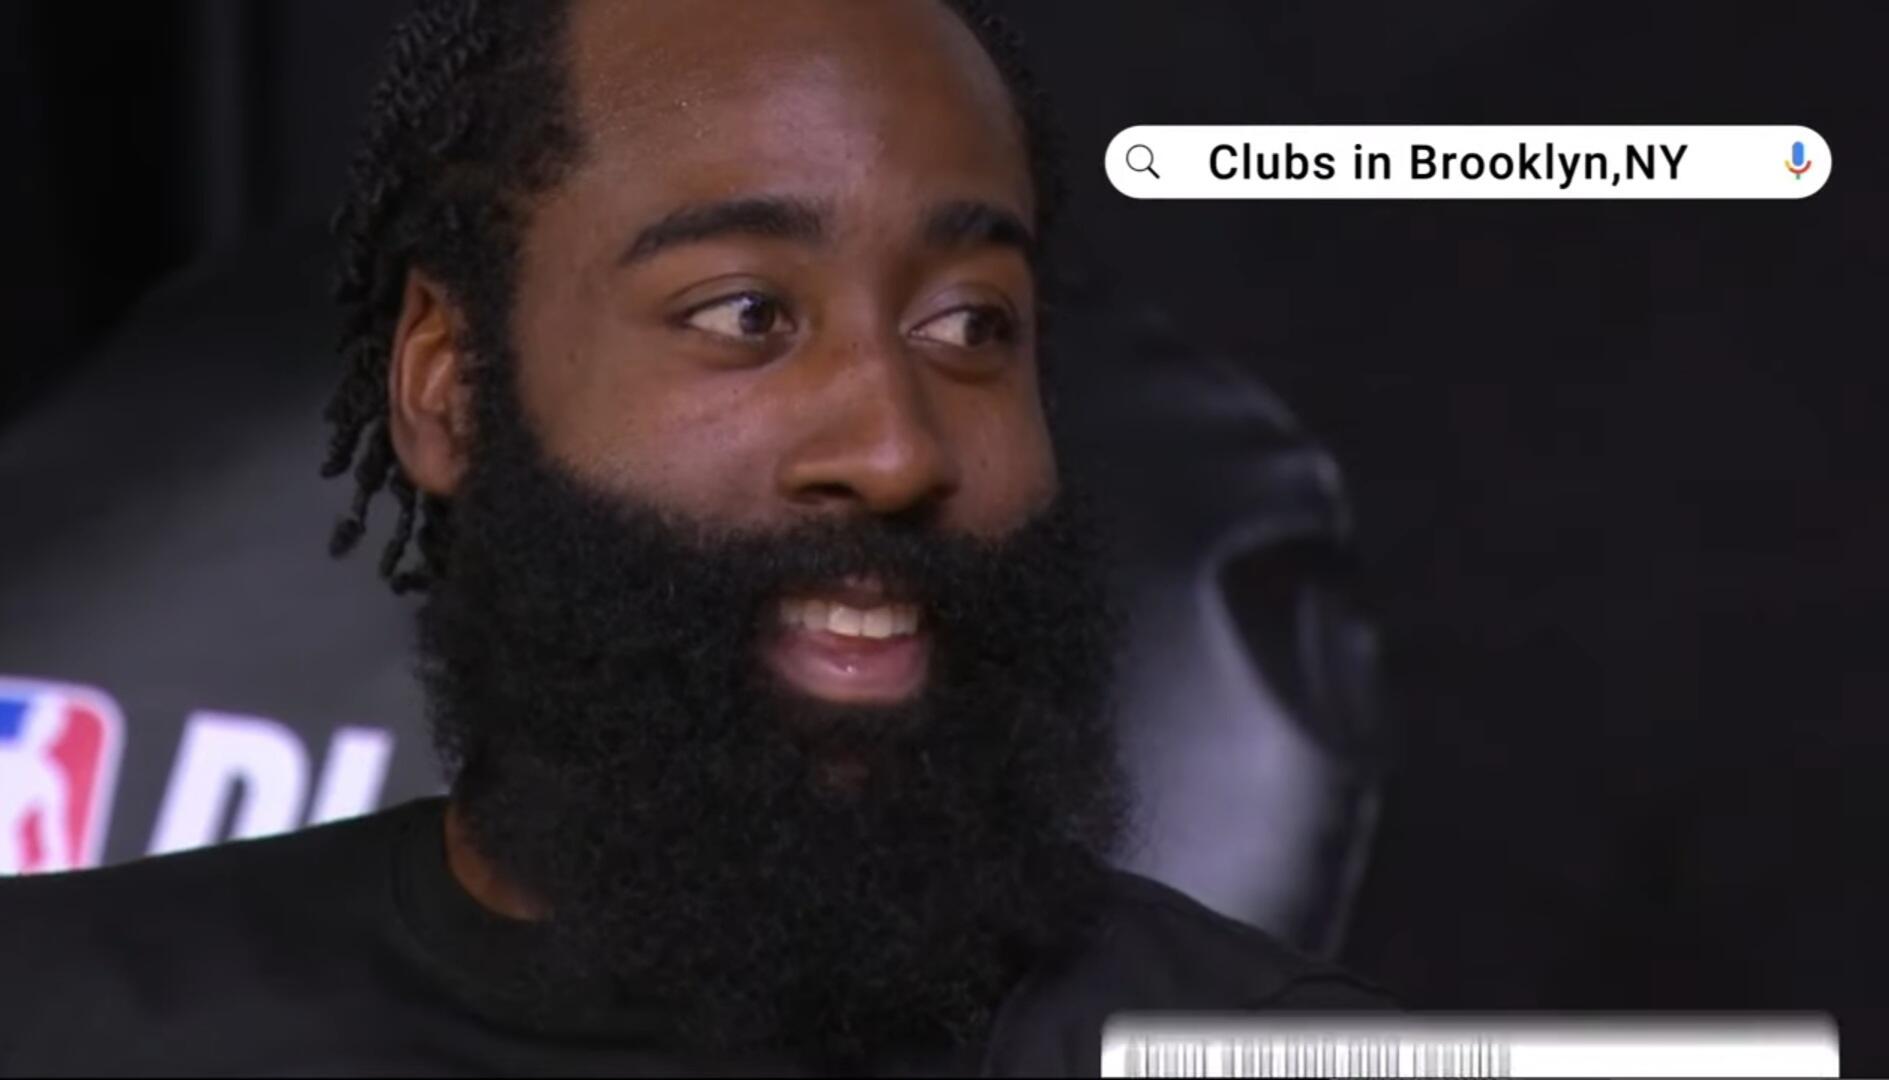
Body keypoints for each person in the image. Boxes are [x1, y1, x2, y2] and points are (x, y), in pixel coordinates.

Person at [0, 0, 1392, 1073]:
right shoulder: (58, 1015)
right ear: (448, 383)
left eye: (971, 324)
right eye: (746, 315)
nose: (896, 449)